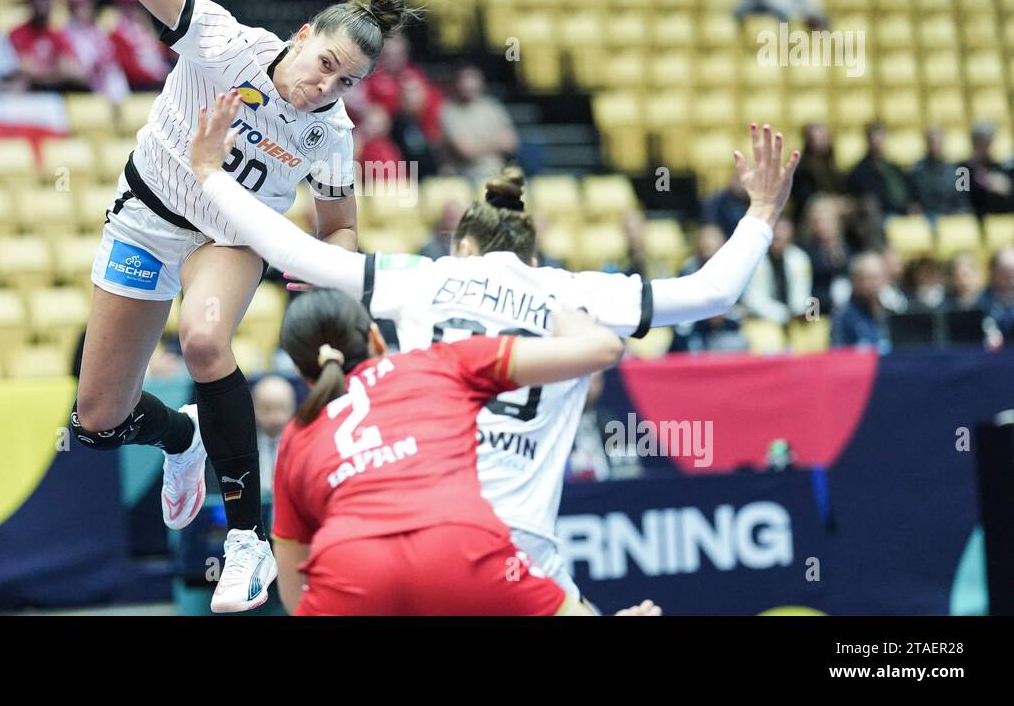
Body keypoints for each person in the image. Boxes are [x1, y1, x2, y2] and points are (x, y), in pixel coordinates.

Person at [191, 97, 800, 600]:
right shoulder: (575, 292)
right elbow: (712, 292)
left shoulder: (423, 277)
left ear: (463, 246)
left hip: (425, 523)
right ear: (531, 254)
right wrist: (763, 212)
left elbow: (300, 255)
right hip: (520, 545)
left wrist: (212, 174)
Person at [24, 0, 421, 611]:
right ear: (302, 35)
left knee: (206, 339)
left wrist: (327, 274)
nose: (324, 87)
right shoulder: (225, 42)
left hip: (233, 234)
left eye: (347, 81)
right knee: (96, 421)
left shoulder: (330, 133)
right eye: (324, 63)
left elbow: (338, 226)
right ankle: (181, 437)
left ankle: (247, 540)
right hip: (148, 213)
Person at [270, 287, 627, 615]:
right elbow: (605, 349)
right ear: (376, 338)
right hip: (462, 542)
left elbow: (292, 590)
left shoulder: (296, 433)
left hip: (349, 562)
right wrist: (573, 325)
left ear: (304, 375)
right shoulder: (441, 361)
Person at [441, 65, 518, 181]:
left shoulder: (493, 107)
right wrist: (496, 142)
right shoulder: (449, 111)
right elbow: (467, 152)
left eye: (473, 80)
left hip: (499, 172)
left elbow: (510, 144)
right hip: (466, 176)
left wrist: (478, 145)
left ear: (481, 82)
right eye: (464, 81)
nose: (469, 85)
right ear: (457, 83)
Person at [9, 0, 86, 91]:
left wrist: (43, 72)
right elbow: (26, 69)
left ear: (53, 2)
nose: (42, 3)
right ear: (30, 2)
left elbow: (72, 68)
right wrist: (56, 71)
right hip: (30, 93)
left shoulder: (58, 34)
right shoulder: (17, 33)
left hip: (57, 93)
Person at [63, 0, 128, 100]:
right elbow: (71, 68)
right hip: (82, 91)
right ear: (70, 7)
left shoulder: (103, 28)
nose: (83, 7)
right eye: (77, 5)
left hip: (111, 86)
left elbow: (114, 63)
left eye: (85, 2)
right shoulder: (66, 32)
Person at [742, 217, 814, 323]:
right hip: (761, 318)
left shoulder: (800, 258)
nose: (778, 243)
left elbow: (803, 292)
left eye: (783, 238)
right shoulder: (755, 258)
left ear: (790, 238)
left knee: (815, 329)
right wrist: (782, 314)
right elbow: (752, 299)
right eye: (775, 238)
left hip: (793, 318)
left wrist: (801, 312)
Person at [108, 0, 176, 90]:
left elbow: (164, 54)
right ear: (121, 6)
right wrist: (158, 77)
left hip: (160, 80)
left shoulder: (146, 28)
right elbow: (130, 70)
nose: (133, 10)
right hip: (141, 87)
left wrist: (150, 31)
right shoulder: (117, 34)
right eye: (128, 6)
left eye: (137, 5)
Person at [846, 122, 916, 217]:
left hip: (901, 212)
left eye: (881, 138)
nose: (878, 143)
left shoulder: (894, 168)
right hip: (879, 216)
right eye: (874, 139)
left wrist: (910, 205)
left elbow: (906, 192)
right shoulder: (860, 171)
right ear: (868, 141)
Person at [830, 253, 893, 352]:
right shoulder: (843, 317)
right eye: (869, 278)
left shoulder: (891, 313)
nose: (874, 283)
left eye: (878, 277)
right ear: (855, 280)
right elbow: (838, 357)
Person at [912, 127, 970, 217]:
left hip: (952, 216)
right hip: (929, 216)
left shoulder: (958, 170)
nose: (935, 146)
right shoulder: (917, 171)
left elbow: (963, 201)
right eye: (932, 142)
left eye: (938, 142)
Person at [252, 375, 296, 493]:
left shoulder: (301, 445)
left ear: (292, 408)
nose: (275, 418)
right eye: (266, 409)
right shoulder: (243, 445)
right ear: (254, 408)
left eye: (281, 408)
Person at [961, 121, 1014, 217]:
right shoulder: (963, 169)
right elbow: (961, 199)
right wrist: (981, 184)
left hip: (1001, 218)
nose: (987, 148)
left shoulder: (1000, 167)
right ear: (974, 144)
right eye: (982, 143)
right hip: (975, 219)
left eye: (989, 143)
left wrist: (1007, 188)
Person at [977, 247, 1014, 344]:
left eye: (1013, 271)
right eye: (1005, 271)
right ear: (993, 272)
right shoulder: (979, 303)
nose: (1010, 276)